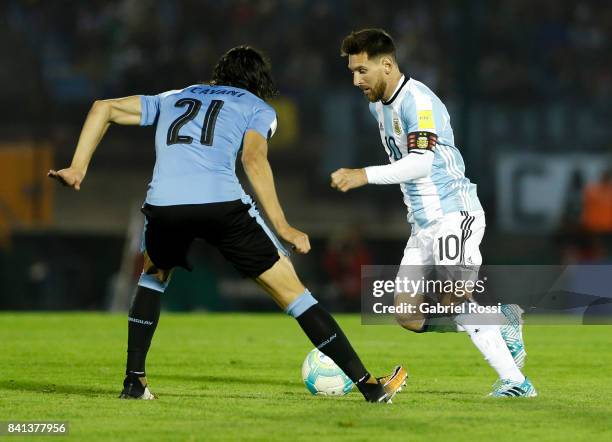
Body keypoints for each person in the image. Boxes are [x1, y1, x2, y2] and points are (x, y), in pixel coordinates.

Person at [48, 46, 406, 403]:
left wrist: (78, 167)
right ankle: (368, 386)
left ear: (219, 74)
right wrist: (282, 225)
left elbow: (103, 108)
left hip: (164, 205)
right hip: (220, 203)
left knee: (152, 278)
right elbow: (253, 158)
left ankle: (134, 382)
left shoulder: (177, 96)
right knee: (295, 295)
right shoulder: (256, 107)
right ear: (258, 84)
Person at [331, 29, 535, 397]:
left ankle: (516, 383)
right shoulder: (379, 105)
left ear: (387, 64)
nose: (355, 80)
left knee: (453, 296)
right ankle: (498, 318)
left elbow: (422, 164)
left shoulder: (419, 102)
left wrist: (364, 175)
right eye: (352, 71)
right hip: (423, 225)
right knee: (407, 315)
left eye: (362, 70)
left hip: (456, 213)